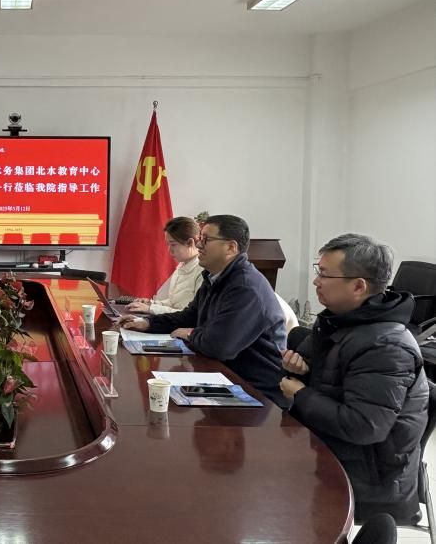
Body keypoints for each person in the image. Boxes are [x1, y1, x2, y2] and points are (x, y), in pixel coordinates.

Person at [280, 233, 428, 522]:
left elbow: (364, 427)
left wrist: (300, 394)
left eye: (325, 274)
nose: (316, 281)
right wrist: (302, 372)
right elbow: (333, 384)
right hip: (330, 449)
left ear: (359, 286)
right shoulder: (339, 320)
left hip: (368, 479)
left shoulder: (387, 346)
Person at [118, 214, 287, 406]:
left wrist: (190, 333)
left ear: (231, 247)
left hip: (256, 392)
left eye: (206, 240)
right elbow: (188, 316)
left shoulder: (246, 287)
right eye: (200, 238)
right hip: (222, 376)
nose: (198, 245)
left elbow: (219, 346)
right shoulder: (214, 277)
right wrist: (147, 323)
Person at [126, 216, 203, 315]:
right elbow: (173, 303)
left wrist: (150, 309)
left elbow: (191, 315)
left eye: (173, 244)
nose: (169, 250)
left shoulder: (202, 272)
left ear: (190, 243)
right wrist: (151, 303)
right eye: (168, 244)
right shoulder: (182, 266)